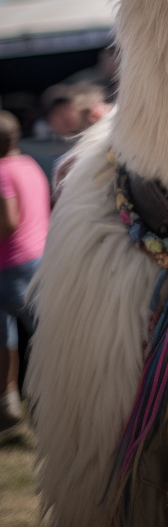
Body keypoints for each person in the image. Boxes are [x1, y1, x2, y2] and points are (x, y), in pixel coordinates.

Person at [0, 109, 51, 434]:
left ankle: (47, 405)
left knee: (41, 339)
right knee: (11, 335)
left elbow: (8, 221)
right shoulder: (29, 164)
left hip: (12, 265)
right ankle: (9, 406)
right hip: (38, 258)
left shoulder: (2, 172)